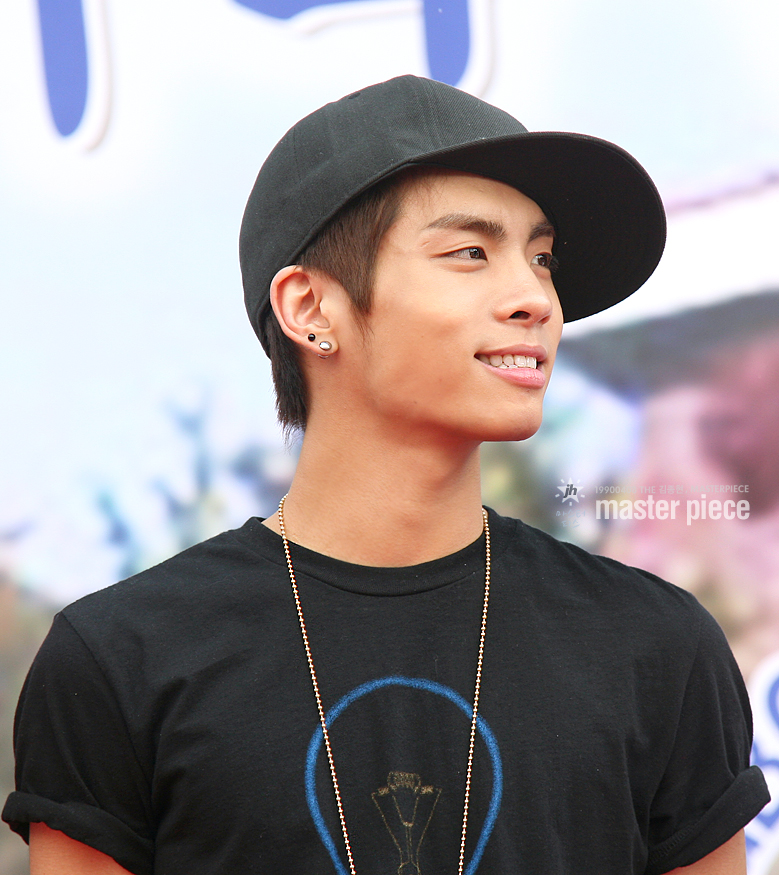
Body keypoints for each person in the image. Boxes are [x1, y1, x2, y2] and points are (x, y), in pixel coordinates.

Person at [3, 75, 769, 875]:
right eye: (470, 252)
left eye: (540, 258)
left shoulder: (655, 647)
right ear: (310, 308)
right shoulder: (122, 659)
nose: (536, 299)